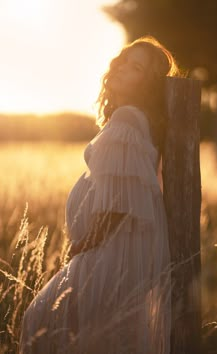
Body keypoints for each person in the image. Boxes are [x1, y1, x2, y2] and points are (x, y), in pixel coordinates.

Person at [19, 35, 181, 354]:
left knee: (39, 322)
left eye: (135, 68)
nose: (121, 69)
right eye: (123, 61)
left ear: (147, 83)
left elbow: (119, 205)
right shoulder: (135, 121)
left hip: (109, 250)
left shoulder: (126, 121)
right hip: (115, 249)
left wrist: (84, 244)